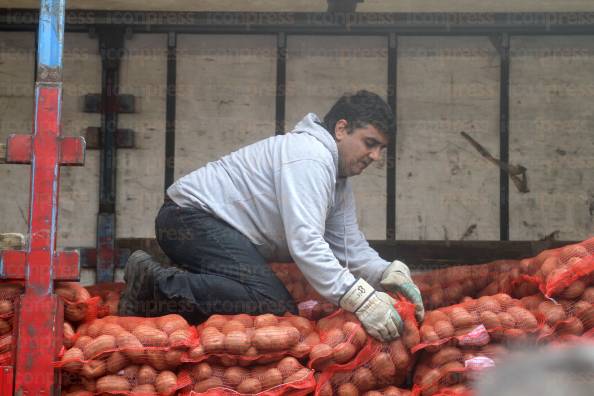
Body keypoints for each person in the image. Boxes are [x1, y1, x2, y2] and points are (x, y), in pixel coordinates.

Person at [118, 90, 424, 342]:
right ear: (341, 129)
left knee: (268, 300)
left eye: (381, 149)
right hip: (188, 218)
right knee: (273, 305)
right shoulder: (310, 157)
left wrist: (386, 272)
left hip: (210, 226)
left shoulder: (337, 181)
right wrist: (360, 297)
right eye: (370, 144)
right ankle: (156, 285)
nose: (375, 157)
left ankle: (175, 283)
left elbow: (348, 247)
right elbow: (306, 241)